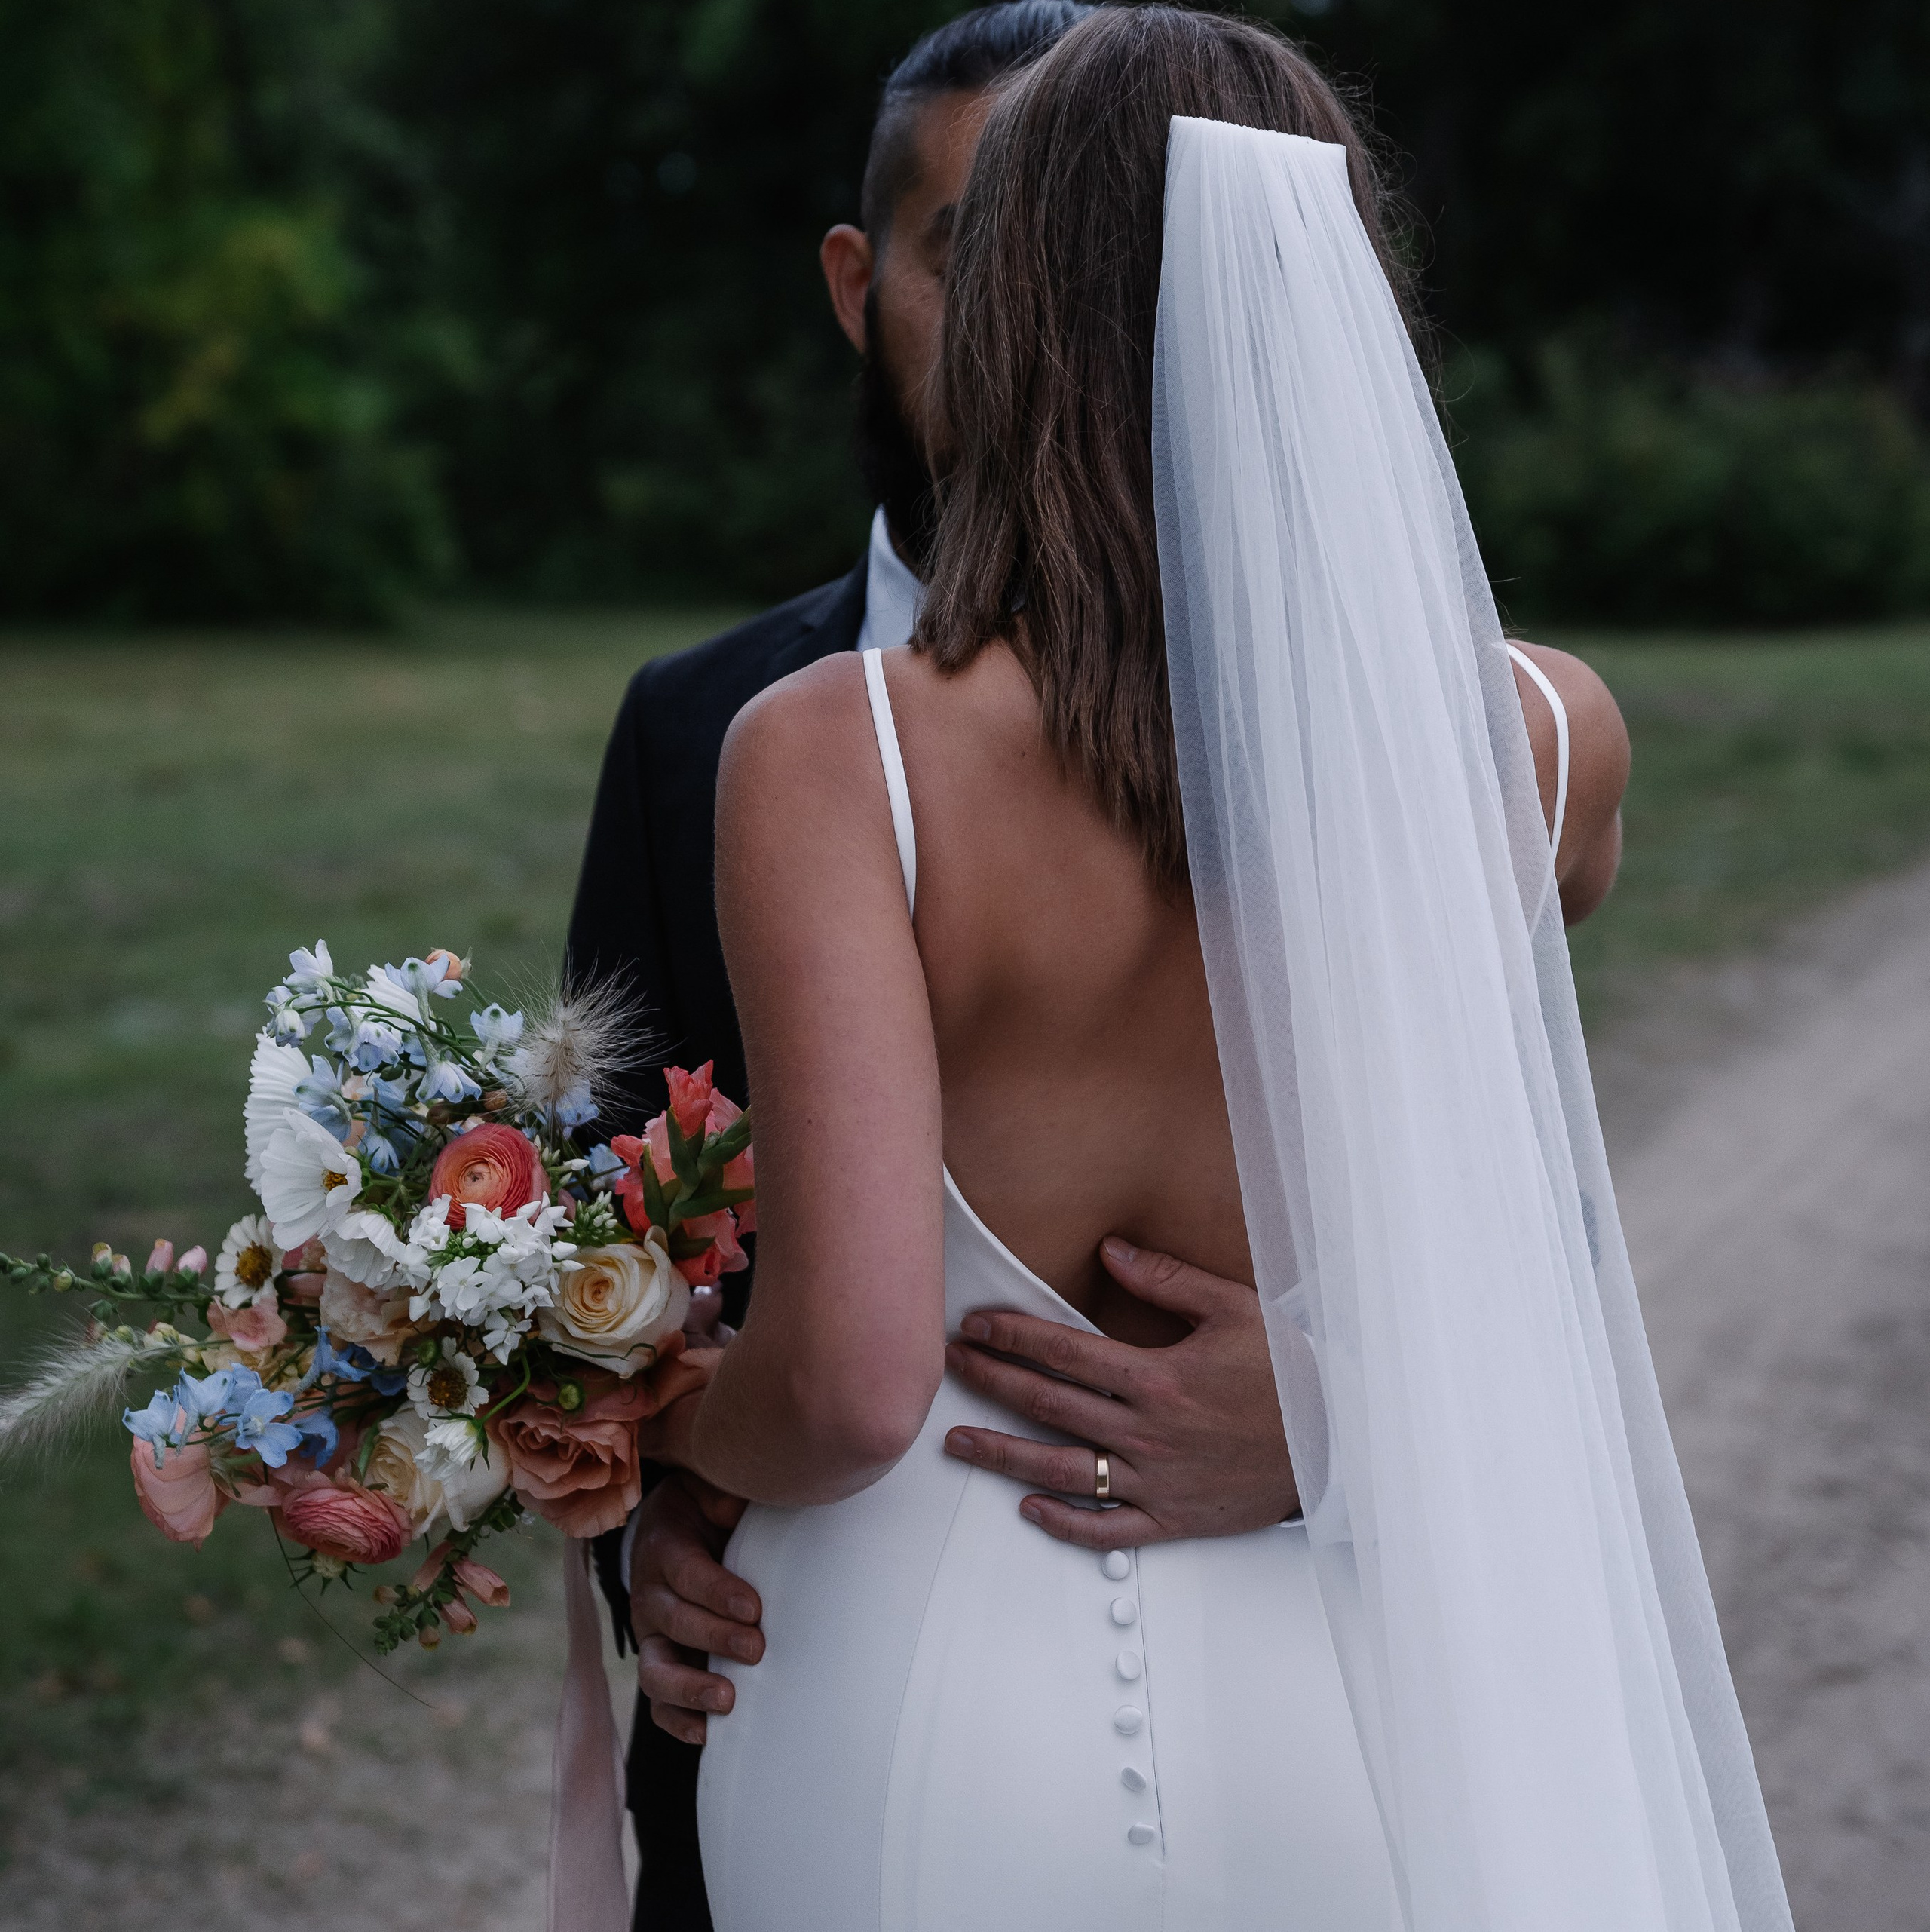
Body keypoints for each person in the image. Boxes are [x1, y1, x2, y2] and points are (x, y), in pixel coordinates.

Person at [609, 6, 1784, 1928]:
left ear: (1013, 315)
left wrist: (613, 1403)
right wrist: (1340, 1388)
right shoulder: (1545, 746)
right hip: (1381, 1695)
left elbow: (842, 1387)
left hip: (922, 1709)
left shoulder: (840, 756)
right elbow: (1492, 1151)